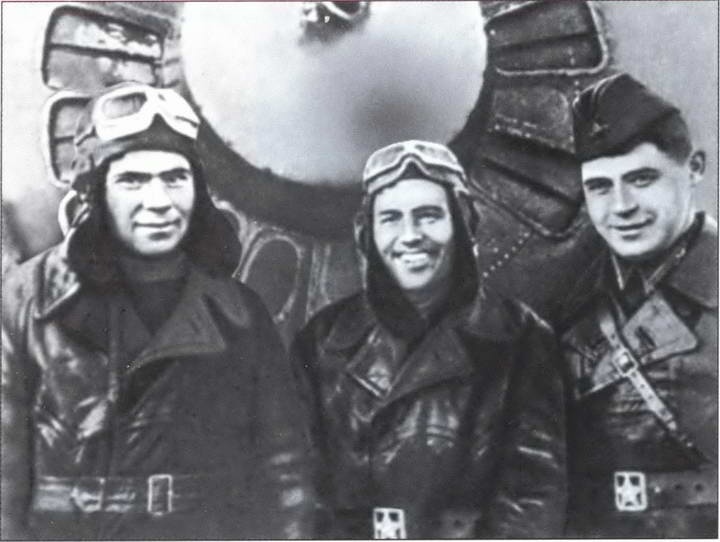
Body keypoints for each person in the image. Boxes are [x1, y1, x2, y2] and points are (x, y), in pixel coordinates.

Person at [1, 83, 312, 540]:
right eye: (132, 180)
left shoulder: (239, 313)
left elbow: (285, 474)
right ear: (95, 190)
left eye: (175, 177)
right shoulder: (25, 300)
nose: (159, 202)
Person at [291, 140, 566, 538]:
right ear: (367, 233)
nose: (410, 236)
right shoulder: (322, 341)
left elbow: (532, 499)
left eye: (429, 216)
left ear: (463, 223)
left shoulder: (520, 338)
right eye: (390, 218)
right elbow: (300, 495)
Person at [560, 72, 717, 537]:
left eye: (642, 179)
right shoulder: (566, 301)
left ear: (694, 168)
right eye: (599, 187)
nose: (621, 206)